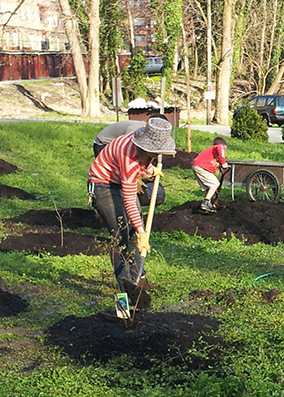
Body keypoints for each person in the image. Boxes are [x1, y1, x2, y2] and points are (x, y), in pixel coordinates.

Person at [87, 116, 176, 305]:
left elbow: (142, 163)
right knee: (121, 237)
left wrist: (149, 170)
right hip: (103, 185)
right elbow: (128, 197)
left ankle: (139, 284)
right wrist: (143, 232)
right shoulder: (128, 157)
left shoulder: (142, 150)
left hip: (120, 181)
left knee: (136, 233)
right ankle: (125, 297)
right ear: (144, 145)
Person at [191, 137, 230, 213]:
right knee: (215, 184)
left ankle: (208, 203)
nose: (224, 151)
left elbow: (213, 163)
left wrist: (220, 164)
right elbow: (221, 149)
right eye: (225, 149)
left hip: (197, 165)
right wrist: (224, 163)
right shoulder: (220, 146)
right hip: (201, 166)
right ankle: (205, 202)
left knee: (211, 186)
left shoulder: (211, 153)